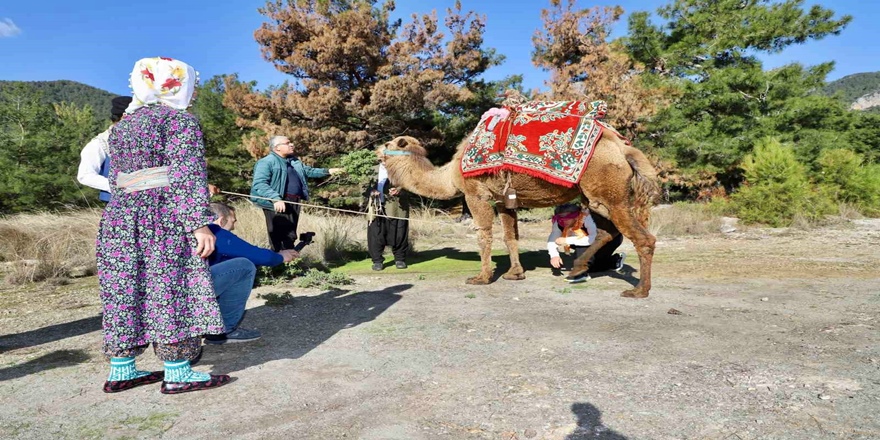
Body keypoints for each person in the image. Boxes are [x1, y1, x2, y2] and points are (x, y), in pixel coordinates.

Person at [97, 57, 229, 395]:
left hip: (121, 216)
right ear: (173, 83)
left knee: (126, 288)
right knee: (170, 286)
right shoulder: (179, 121)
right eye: (191, 82)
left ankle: (122, 368)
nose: (194, 89)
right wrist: (199, 224)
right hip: (163, 215)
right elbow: (187, 174)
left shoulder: (123, 126)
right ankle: (178, 371)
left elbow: (115, 179)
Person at [204, 202, 298, 345]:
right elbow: (257, 255)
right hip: (194, 290)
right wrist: (280, 257)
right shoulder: (215, 231)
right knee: (244, 266)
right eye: (232, 221)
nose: (234, 227)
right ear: (221, 220)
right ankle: (224, 330)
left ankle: (204, 325)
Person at [250, 135, 345, 251]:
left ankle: (290, 263)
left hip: (294, 201)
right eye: (287, 143)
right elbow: (259, 184)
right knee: (279, 237)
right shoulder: (266, 162)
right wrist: (275, 198)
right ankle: (279, 265)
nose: (292, 145)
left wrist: (329, 171)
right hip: (278, 203)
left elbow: (308, 171)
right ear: (277, 147)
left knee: (290, 236)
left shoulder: (294, 161)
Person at [547, 204, 626, 283]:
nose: (564, 221)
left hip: (610, 239)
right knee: (591, 267)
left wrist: (567, 240)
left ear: (576, 215)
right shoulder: (559, 224)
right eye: (560, 218)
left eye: (567, 218)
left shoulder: (588, 218)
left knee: (582, 252)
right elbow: (553, 238)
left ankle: (581, 274)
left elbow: (594, 239)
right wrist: (554, 255)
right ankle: (614, 261)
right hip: (584, 240)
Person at [76, 96, 132, 202]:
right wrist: (117, 186)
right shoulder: (100, 143)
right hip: (116, 206)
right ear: (124, 117)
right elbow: (85, 175)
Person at [364, 157, 411, 271]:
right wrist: (371, 191)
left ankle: (400, 259)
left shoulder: (402, 171)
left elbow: (411, 186)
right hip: (376, 208)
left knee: (399, 234)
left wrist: (399, 190)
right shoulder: (371, 170)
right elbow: (363, 187)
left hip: (397, 208)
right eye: (383, 159)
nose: (385, 162)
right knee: (375, 235)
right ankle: (377, 261)